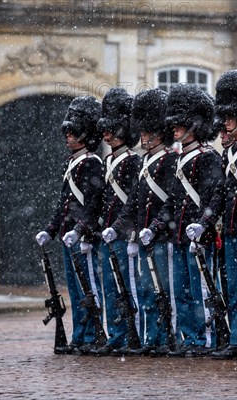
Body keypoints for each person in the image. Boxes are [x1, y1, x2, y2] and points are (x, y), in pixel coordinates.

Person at [185, 69, 237, 360]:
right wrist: (205, 222)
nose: (225, 126)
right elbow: (220, 195)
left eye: (229, 121)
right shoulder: (228, 154)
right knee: (234, 291)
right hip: (231, 231)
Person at [140, 84, 222, 357]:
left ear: (193, 127)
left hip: (199, 237)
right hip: (179, 237)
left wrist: (203, 224)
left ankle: (205, 338)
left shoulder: (208, 156)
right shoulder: (180, 159)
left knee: (200, 292)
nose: (173, 130)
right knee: (182, 293)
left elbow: (213, 198)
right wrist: (154, 227)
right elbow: (172, 202)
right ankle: (189, 337)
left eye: (179, 125)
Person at [110, 88, 179, 356]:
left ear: (158, 132)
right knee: (147, 290)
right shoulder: (144, 161)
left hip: (162, 236)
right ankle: (152, 336)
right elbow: (135, 202)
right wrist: (122, 229)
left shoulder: (171, 159)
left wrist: (156, 228)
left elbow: (170, 199)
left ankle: (166, 337)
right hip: (144, 235)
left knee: (166, 292)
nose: (143, 137)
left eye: (147, 132)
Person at [35, 96, 104, 355]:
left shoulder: (92, 163)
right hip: (69, 237)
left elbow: (93, 203)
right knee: (75, 291)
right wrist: (51, 229)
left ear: (84, 134)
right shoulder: (72, 163)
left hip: (82, 238)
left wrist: (79, 230)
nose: (67, 136)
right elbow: (64, 203)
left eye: (72, 132)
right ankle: (81, 334)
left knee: (88, 289)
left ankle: (92, 333)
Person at [94, 88, 141, 356]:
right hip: (108, 233)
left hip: (123, 234)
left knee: (126, 285)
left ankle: (129, 332)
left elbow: (133, 199)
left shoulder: (132, 161)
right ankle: (116, 333)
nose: (107, 135)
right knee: (109, 287)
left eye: (112, 129)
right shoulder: (108, 160)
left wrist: (120, 227)